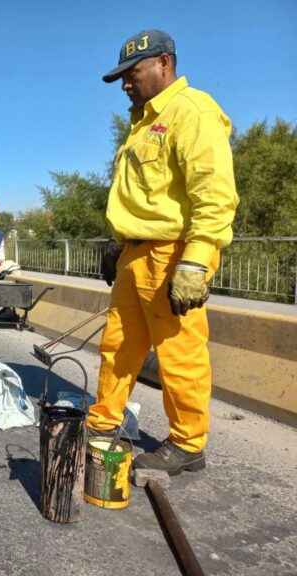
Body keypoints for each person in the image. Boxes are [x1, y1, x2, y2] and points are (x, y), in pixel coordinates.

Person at [87, 30, 238, 475]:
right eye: (122, 79)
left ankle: (189, 443)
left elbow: (213, 192)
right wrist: (119, 244)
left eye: (132, 74)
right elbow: (143, 196)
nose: (126, 85)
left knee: (179, 352)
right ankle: (103, 422)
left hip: (172, 254)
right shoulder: (143, 122)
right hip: (136, 254)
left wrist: (196, 260)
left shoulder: (190, 112)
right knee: (118, 345)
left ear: (164, 64)